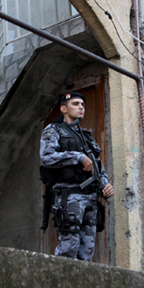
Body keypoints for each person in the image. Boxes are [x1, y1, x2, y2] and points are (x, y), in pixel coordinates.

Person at [40, 92, 114, 261]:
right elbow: (46, 157)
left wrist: (105, 184)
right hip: (70, 196)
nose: (81, 107)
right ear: (63, 109)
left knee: (87, 252)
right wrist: (78, 157)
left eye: (82, 104)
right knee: (69, 249)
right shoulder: (54, 130)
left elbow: (97, 165)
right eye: (75, 104)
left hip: (90, 198)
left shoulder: (86, 136)